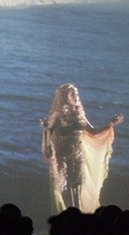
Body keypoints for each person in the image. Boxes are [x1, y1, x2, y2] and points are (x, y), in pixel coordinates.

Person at [40, 83, 123, 213]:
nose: (76, 96)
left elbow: (93, 132)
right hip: (63, 158)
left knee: (77, 187)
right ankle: (68, 217)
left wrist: (110, 124)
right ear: (64, 97)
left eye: (77, 94)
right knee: (66, 189)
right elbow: (49, 133)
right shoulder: (58, 116)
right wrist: (46, 128)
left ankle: (79, 216)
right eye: (72, 94)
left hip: (77, 157)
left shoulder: (79, 115)